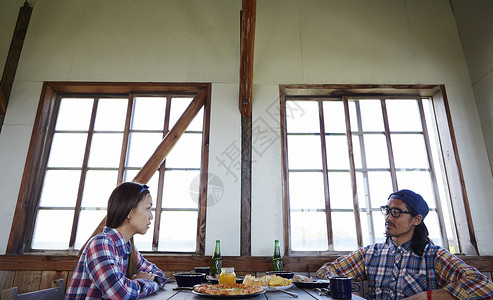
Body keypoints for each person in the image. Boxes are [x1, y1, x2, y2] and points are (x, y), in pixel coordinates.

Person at [316, 189, 493, 300]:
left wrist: (427, 296)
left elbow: (483, 285)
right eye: (387, 211)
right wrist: (348, 294)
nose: (388, 217)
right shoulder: (370, 253)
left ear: (417, 219)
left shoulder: (434, 256)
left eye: (396, 212)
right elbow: (325, 272)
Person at [65, 182, 167, 299]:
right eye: (148, 208)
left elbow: (159, 276)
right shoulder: (101, 244)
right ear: (129, 211)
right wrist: (146, 282)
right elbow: (119, 294)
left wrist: (135, 282)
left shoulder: (128, 247)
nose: (151, 216)